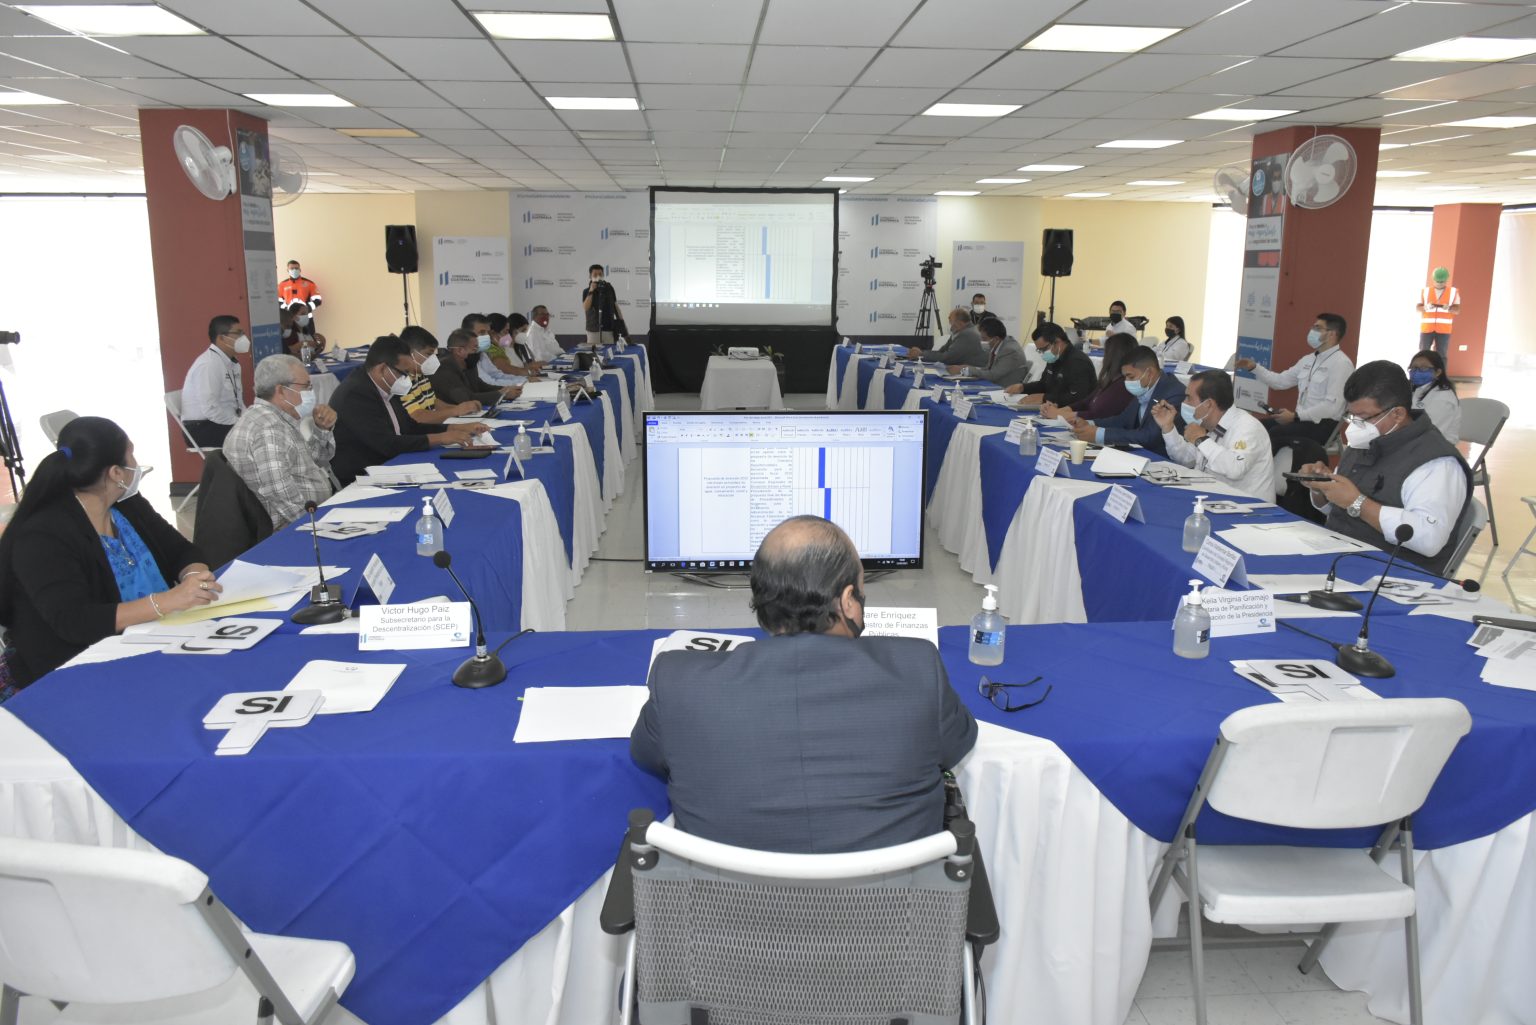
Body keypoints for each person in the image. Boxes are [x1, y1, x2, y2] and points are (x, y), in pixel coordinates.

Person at [630, 515, 977, 854]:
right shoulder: (917, 669)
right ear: (848, 601)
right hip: (898, 893)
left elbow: (647, 756)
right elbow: (957, 744)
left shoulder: (679, 683)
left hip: (722, 894)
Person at [0, 417, 221, 689]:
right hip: (77, 670)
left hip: (160, 641)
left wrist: (194, 578)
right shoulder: (42, 536)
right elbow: (75, 621)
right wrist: (168, 601)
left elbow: (182, 551)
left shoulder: (127, 504)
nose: (136, 464)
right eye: (131, 454)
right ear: (116, 473)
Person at [1299, 361, 1472, 574]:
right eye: (1351, 416)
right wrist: (1321, 488)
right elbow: (1338, 510)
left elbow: (1429, 539)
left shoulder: (1437, 464)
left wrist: (1357, 502)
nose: (1354, 426)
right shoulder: (1366, 441)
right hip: (1342, 555)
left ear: (1397, 414)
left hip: (1394, 574)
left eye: (1363, 418)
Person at [328, 335, 487, 485]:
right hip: (363, 475)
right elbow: (387, 444)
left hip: (390, 463)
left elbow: (410, 427)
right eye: (404, 373)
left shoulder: (385, 385)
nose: (407, 379)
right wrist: (440, 438)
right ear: (382, 369)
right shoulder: (356, 393)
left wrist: (456, 428)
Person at [224, 355, 337, 529]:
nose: (311, 392)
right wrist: (317, 526)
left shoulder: (275, 418)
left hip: (312, 514)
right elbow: (279, 492)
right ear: (281, 390)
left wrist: (322, 429)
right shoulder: (269, 428)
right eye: (306, 386)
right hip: (294, 527)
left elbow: (316, 460)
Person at [1234, 312, 1353, 452]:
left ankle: (1262, 466)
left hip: (1322, 425)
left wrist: (1295, 417)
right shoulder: (1308, 359)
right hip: (1299, 420)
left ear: (1332, 334)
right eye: (1313, 327)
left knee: (1275, 434)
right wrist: (1254, 367)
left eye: (1317, 328)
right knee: (1257, 427)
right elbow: (1280, 381)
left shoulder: (1341, 364)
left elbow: (1332, 407)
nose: (1312, 331)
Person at [1153, 370, 1275, 502]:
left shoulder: (1247, 427)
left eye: (1188, 398)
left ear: (1208, 404)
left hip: (1248, 508)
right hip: (1213, 499)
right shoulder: (1209, 424)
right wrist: (1168, 428)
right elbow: (1186, 459)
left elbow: (1235, 469)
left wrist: (1202, 440)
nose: (1184, 402)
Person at [1067, 345, 1185, 456]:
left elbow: (1149, 436)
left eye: (1131, 377)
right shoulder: (1144, 386)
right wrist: (1090, 423)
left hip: (1162, 460)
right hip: (1138, 455)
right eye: (1125, 377)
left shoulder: (1173, 393)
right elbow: (1123, 420)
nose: (1127, 382)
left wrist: (1099, 434)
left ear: (1149, 373)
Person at [180, 314, 248, 447]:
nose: (244, 338)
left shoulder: (232, 364)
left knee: (261, 428)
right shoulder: (209, 364)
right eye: (238, 333)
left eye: (243, 333)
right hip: (202, 428)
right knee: (256, 436)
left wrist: (248, 419)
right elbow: (211, 410)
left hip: (224, 422)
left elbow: (238, 402)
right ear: (221, 338)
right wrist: (240, 423)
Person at [399, 326, 480, 424]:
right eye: (429, 354)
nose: (433, 359)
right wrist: (456, 411)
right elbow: (417, 417)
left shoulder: (421, 374)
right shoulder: (401, 380)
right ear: (410, 353)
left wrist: (463, 409)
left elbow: (433, 402)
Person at [1011, 321, 1096, 408]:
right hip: (1053, 409)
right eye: (1039, 350)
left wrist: (1045, 398)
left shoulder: (1078, 362)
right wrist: (1023, 388)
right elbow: (1044, 385)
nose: (1043, 353)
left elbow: (1079, 397)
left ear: (1058, 342)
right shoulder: (1054, 357)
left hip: (1075, 413)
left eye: (1044, 349)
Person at [433, 329, 520, 407]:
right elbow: (466, 399)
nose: (478, 352)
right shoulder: (444, 369)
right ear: (460, 351)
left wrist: (505, 389)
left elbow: (480, 385)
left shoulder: (468, 363)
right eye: (475, 349)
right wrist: (502, 394)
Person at [1068, 332, 1135, 421]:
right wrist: (1064, 410)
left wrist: (1064, 414)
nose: (1104, 358)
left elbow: (1099, 414)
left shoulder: (1122, 386)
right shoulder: (1109, 379)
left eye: (1105, 353)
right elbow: (1086, 402)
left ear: (1113, 356)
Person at [951, 317, 1030, 387]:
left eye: (984, 339)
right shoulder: (999, 343)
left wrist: (967, 370)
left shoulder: (1010, 350)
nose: (981, 341)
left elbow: (992, 375)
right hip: (994, 384)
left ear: (996, 338)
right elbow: (988, 369)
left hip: (1004, 389)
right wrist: (967, 368)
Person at [1408, 349, 1460, 445]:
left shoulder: (1443, 398)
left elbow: (1430, 431)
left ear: (1438, 372)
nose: (1417, 372)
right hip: (1417, 440)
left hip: (1437, 445)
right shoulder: (1416, 389)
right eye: (1414, 368)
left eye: (1424, 368)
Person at [908, 307, 983, 366]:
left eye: (950, 321)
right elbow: (942, 351)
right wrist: (921, 353)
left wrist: (921, 355)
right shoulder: (959, 331)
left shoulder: (967, 334)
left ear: (959, 323)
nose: (950, 325)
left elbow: (947, 358)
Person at [1416, 266, 1460, 359]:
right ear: (1433, 279)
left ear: (1446, 280)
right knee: (1423, 353)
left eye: (1442, 281)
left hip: (1444, 329)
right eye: (1438, 281)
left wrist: (1449, 308)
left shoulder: (1453, 292)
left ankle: (1440, 369)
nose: (1440, 283)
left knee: (1441, 355)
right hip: (1427, 328)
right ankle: (1422, 369)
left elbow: (1457, 310)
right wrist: (1426, 307)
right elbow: (1418, 308)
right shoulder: (1425, 291)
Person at [582, 264, 619, 347]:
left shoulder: (609, 289)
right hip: (593, 330)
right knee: (594, 353)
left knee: (609, 352)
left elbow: (615, 306)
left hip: (608, 329)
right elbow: (586, 307)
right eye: (595, 275)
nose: (598, 277)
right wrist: (591, 291)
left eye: (600, 274)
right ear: (590, 276)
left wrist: (621, 324)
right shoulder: (586, 291)